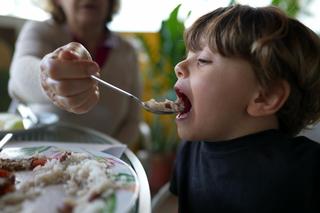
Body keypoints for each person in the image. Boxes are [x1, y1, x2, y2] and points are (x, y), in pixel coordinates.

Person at [168, 4, 320, 212]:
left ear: (264, 97)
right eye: (188, 56)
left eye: (203, 60)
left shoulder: (308, 169)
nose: (179, 66)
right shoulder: (190, 150)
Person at [8, 0, 142, 145]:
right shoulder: (40, 31)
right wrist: (48, 78)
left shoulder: (127, 51)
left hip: (99, 164)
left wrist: (108, 157)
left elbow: (132, 121)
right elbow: (19, 75)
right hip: (35, 155)